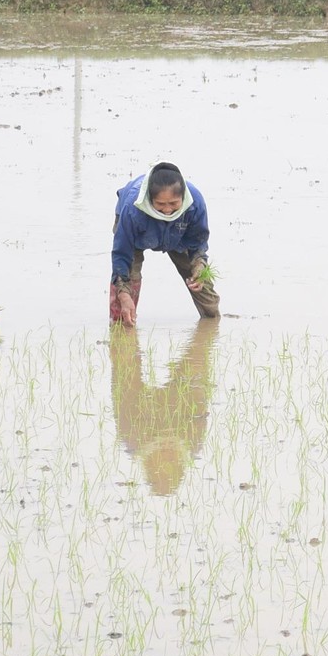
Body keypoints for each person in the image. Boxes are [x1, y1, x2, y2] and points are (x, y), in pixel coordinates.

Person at [111, 321, 218, 496]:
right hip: (142, 403)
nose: (166, 454)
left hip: (172, 403)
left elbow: (199, 396)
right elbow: (122, 387)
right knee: (123, 342)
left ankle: (209, 317)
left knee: (196, 360)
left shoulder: (133, 442)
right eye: (168, 460)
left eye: (164, 459)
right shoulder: (191, 444)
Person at [111, 160, 218, 325]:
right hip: (137, 236)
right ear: (150, 198)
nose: (167, 210)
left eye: (174, 203)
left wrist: (199, 265)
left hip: (179, 236)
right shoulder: (132, 208)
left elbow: (198, 242)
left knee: (205, 293)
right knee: (123, 307)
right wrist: (124, 293)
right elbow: (121, 252)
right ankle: (121, 335)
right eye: (160, 204)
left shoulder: (195, 203)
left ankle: (211, 328)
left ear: (183, 197)